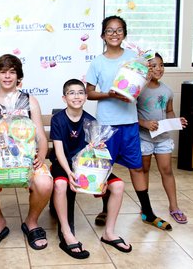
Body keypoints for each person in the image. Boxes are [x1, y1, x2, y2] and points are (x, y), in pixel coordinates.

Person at [86, 15, 172, 231]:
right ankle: (106, 209)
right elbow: (89, 93)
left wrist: (135, 90)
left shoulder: (135, 58)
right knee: (105, 168)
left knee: (137, 168)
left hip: (130, 123)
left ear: (124, 33)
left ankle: (147, 212)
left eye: (119, 30)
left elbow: (144, 84)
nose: (114, 34)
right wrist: (111, 95)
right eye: (109, 30)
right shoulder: (97, 62)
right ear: (103, 35)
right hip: (106, 125)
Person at [0, 54, 53, 251]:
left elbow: (41, 136)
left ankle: (31, 222)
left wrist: (41, 155)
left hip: (26, 161)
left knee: (44, 182)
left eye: (12, 72)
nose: (7, 76)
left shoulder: (29, 101)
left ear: (18, 76)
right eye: (3, 72)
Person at [50, 79, 131, 258]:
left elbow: (97, 155)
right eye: (71, 93)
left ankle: (109, 233)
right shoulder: (58, 119)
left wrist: (101, 179)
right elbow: (59, 151)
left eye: (80, 92)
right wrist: (70, 173)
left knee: (118, 186)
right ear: (64, 98)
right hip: (63, 165)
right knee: (61, 185)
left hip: (86, 167)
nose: (76, 96)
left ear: (86, 97)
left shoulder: (91, 121)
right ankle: (66, 232)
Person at [137, 53, 188, 224]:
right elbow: (129, 114)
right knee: (144, 169)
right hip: (143, 137)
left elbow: (169, 111)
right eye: (153, 66)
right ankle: (146, 207)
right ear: (146, 68)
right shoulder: (138, 89)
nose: (158, 69)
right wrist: (144, 123)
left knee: (166, 170)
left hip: (163, 138)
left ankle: (174, 207)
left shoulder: (167, 90)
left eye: (161, 65)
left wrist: (176, 121)